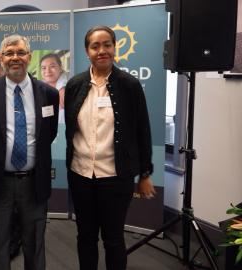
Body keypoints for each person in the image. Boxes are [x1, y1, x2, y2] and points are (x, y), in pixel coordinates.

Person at [64, 25, 156, 270]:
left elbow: (142, 132)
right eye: (95, 46)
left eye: (107, 45)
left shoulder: (130, 85)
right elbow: (70, 130)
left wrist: (145, 173)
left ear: (115, 48)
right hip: (81, 174)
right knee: (85, 237)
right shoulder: (74, 85)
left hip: (115, 178)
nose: (102, 50)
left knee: (113, 240)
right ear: (87, 51)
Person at [0, 34, 59, 270]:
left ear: (29, 57)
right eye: (9, 53)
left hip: (34, 182)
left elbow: (48, 134)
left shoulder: (48, 93)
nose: (15, 58)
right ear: (1, 59)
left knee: (35, 243)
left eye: (20, 53)